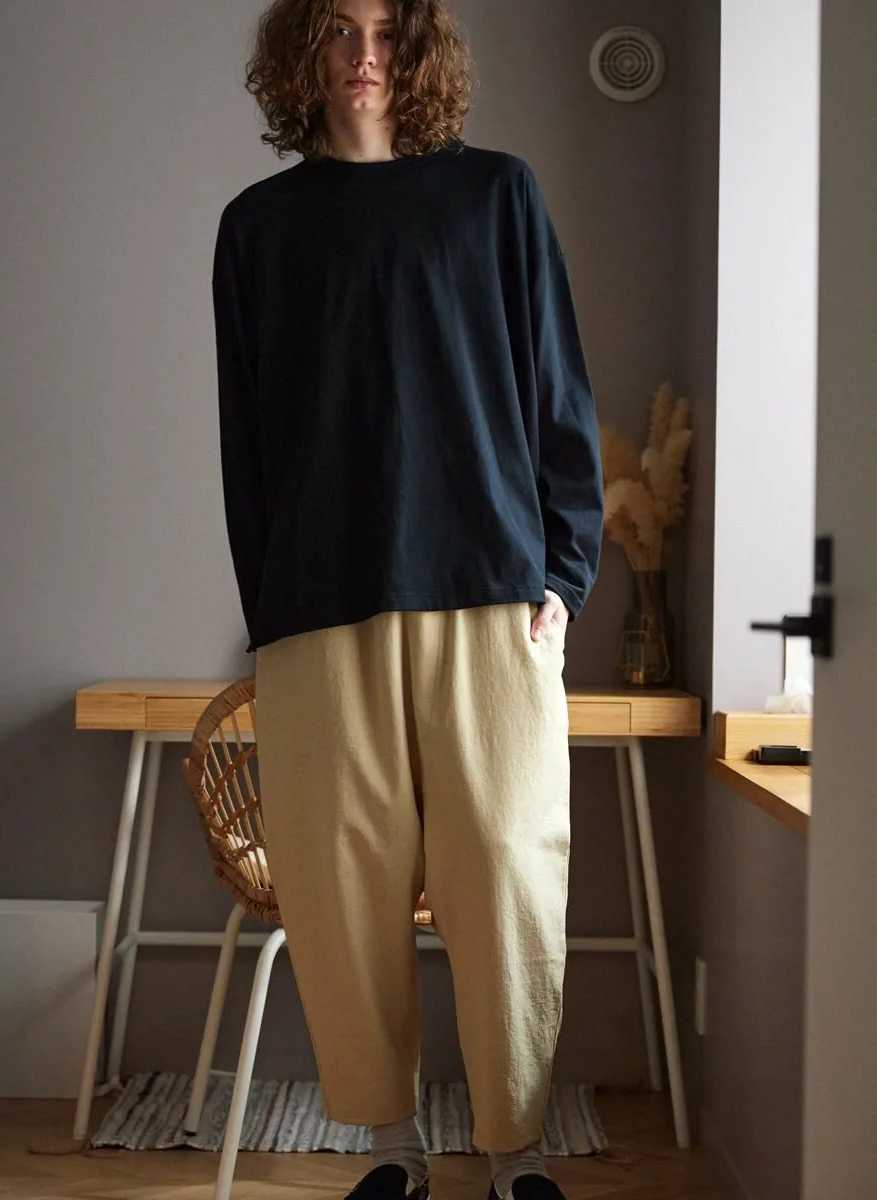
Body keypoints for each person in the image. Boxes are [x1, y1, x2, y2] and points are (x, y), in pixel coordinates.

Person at [213, 0, 603, 1196]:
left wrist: (565, 568)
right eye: (338, 30)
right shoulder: (258, 227)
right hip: (319, 604)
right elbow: (247, 437)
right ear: (302, 50)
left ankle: (516, 1153)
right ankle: (391, 1151)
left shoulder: (495, 196)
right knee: (342, 885)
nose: (364, 57)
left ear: (422, 49)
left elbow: (556, 387)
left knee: (506, 870)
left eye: (386, 32)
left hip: (490, 589)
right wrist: (270, 606)